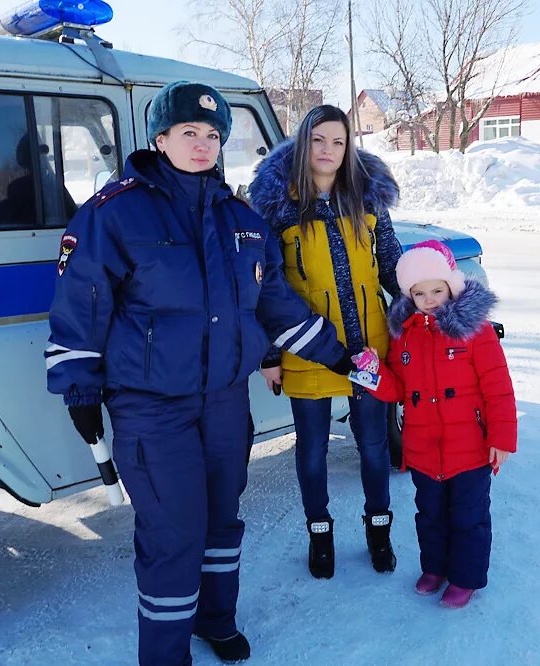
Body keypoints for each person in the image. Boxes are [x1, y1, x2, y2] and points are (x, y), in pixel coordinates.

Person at [45, 82, 355, 665]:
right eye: (189, 132)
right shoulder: (116, 212)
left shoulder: (241, 220)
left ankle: (216, 618)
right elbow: (83, 301)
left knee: (222, 518)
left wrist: (335, 353)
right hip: (150, 403)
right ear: (160, 138)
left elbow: (275, 304)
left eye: (213, 135)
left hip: (222, 401)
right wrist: (78, 384)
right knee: (173, 530)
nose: (203, 144)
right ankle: (164, 654)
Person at [248, 105, 403, 579]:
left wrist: (429, 309)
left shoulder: (367, 195)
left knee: (375, 447)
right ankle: (320, 532)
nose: (328, 151)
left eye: (338, 142)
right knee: (311, 449)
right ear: (302, 142)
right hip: (307, 346)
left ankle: (379, 529)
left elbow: (392, 263)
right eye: (319, 141)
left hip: (368, 346)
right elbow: (264, 286)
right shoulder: (277, 205)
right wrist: (270, 354)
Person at [355, 240, 517, 609]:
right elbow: (398, 386)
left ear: (452, 287)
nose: (429, 299)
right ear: (408, 295)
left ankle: (466, 578)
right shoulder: (404, 334)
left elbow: (498, 387)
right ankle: (435, 569)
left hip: (470, 450)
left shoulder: (475, 331)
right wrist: (373, 373)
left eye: (437, 290)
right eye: (419, 292)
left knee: (469, 518)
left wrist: (502, 438)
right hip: (424, 449)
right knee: (429, 515)